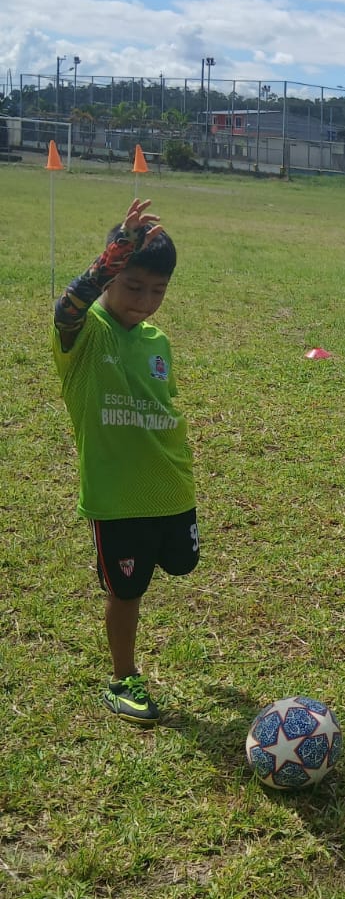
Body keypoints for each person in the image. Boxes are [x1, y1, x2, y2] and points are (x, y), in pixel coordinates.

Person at [52, 199, 199, 724]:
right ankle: (123, 679)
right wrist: (109, 258)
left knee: (182, 564)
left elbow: (164, 402)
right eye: (133, 286)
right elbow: (67, 308)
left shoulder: (158, 341)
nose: (145, 302)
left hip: (172, 485)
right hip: (117, 498)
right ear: (111, 277)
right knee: (127, 590)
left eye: (158, 291)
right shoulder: (86, 333)